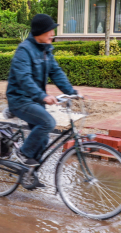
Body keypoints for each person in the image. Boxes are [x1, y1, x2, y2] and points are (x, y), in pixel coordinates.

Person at [6, 14, 80, 168]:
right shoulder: (24, 50)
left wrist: (71, 92)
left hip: (35, 101)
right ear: (39, 32)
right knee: (48, 122)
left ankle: (28, 173)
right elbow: (24, 78)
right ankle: (23, 153)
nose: (53, 34)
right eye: (49, 30)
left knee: (43, 139)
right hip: (20, 100)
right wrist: (43, 96)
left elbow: (56, 72)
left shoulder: (45, 50)